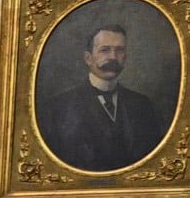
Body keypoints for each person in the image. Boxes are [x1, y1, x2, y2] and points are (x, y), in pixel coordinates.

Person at [36, 18, 175, 171]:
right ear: (88, 58)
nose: (113, 57)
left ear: (125, 57)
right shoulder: (59, 107)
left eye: (119, 50)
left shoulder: (142, 105)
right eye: (104, 50)